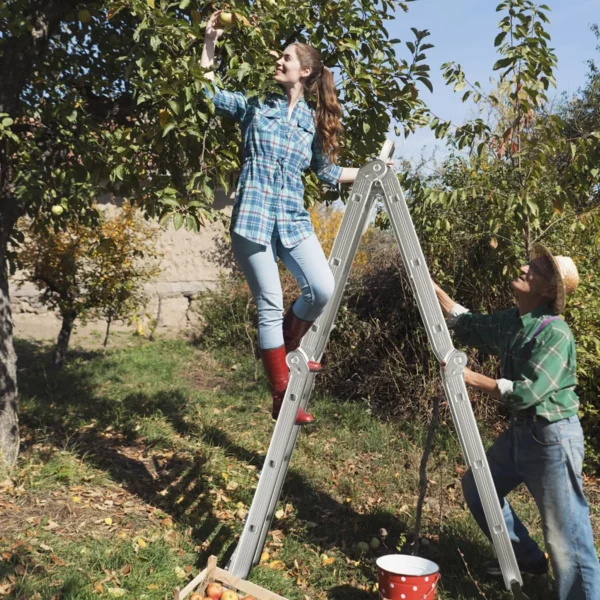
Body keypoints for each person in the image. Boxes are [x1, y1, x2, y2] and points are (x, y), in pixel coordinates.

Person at [200, 11, 363, 425]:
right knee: (270, 304)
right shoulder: (256, 106)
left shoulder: (312, 123)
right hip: (253, 217)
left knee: (322, 289)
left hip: (291, 217)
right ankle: (280, 395)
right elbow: (208, 91)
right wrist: (210, 41)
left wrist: (372, 170)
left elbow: (327, 172)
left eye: (286, 58)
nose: (278, 61)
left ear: (304, 71)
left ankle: (291, 347)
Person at [434, 243, 600, 599]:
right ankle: (526, 559)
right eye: (529, 265)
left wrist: (472, 378)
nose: (525, 270)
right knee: (479, 487)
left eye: (535, 271)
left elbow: (528, 392)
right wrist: (433, 291)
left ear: (548, 290)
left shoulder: (554, 333)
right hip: (522, 433)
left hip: (553, 439)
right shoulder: (515, 321)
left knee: (565, 536)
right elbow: (473, 325)